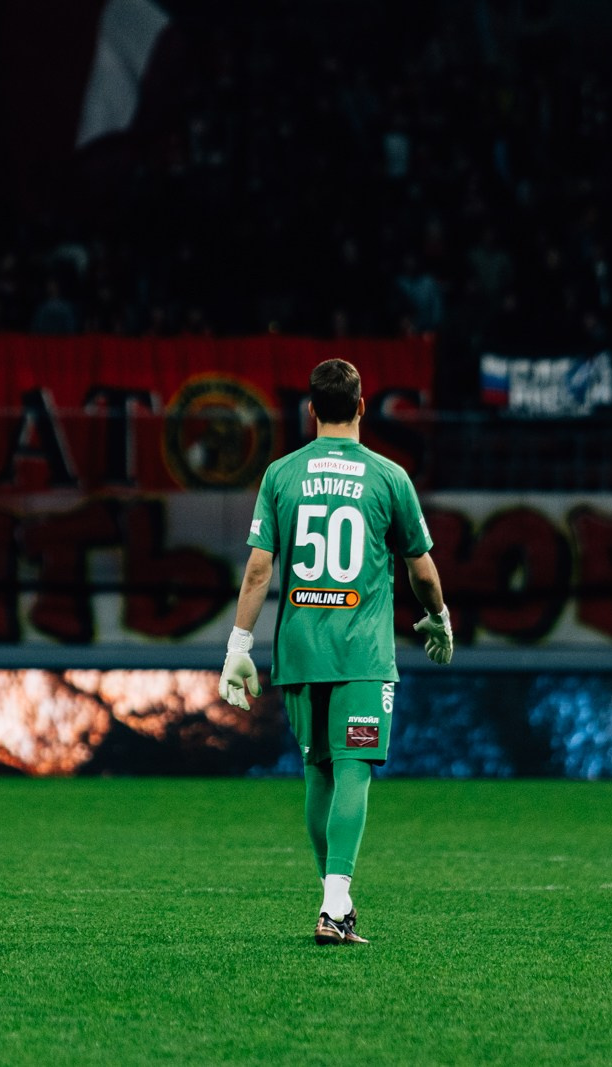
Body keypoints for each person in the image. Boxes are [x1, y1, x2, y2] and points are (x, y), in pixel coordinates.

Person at [219, 358, 453, 946]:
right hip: (361, 653)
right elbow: (420, 567)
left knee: (316, 773)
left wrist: (237, 647)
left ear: (311, 410)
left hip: (299, 651)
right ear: (362, 407)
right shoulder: (389, 476)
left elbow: (256, 571)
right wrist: (439, 617)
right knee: (354, 769)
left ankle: (334, 901)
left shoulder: (280, 475)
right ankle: (337, 901)